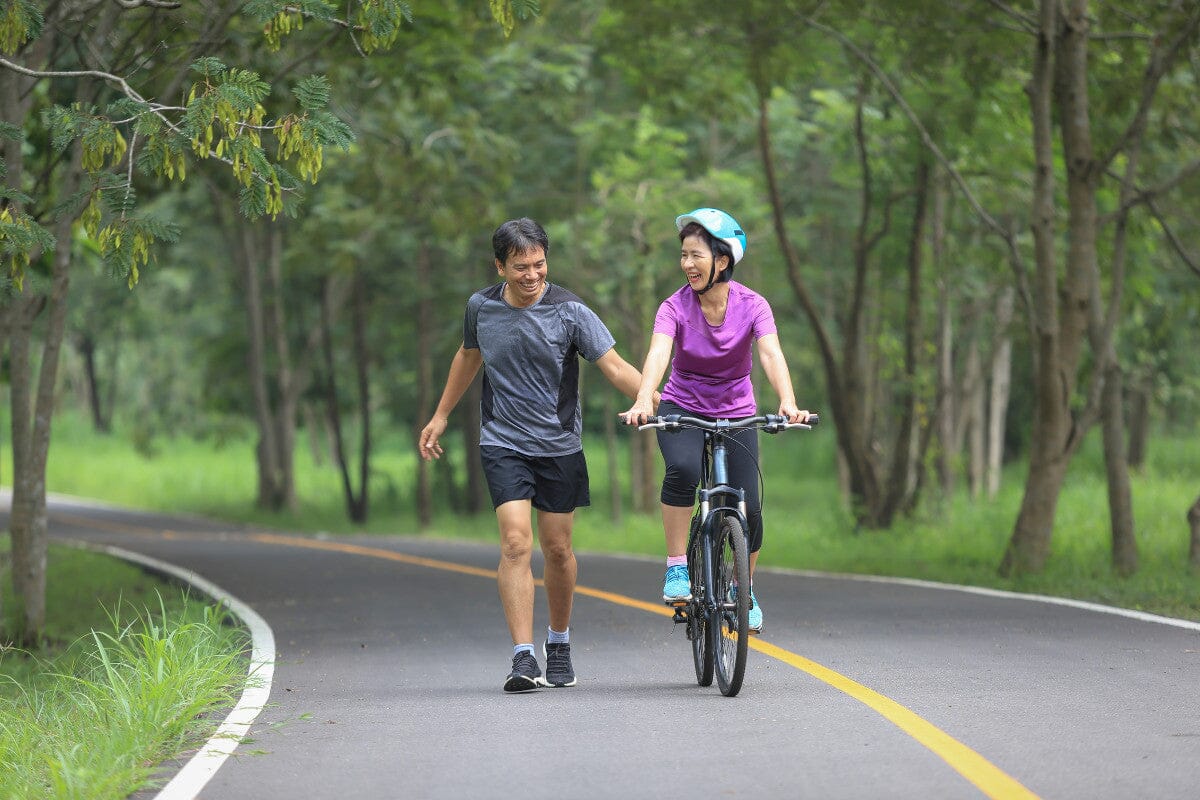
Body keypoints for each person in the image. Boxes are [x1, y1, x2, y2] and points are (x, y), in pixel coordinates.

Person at [419, 217, 649, 693]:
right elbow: (468, 355)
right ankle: (523, 657)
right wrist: (441, 414)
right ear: (500, 265)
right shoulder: (480, 307)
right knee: (516, 543)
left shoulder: (570, 311)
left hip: (559, 445)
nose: (532, 276)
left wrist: (656, 403)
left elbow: (615, 365)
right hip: (503, 441)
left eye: (540, 264)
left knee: (558, 550)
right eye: (520, 266)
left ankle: (558, 642)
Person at [620, 207, 811, 634]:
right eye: (683, 255)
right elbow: (658, 353)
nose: (687, 264)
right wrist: (642, 399)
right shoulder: (674, 306)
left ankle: (744, 588)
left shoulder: (753, 305)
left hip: (737, 410)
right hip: (682, 407)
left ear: (722, 260)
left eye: (696, 255)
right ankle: (675, 567)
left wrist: (788, 400)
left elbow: (770, 353)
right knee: (684, 470)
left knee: (752, 509)